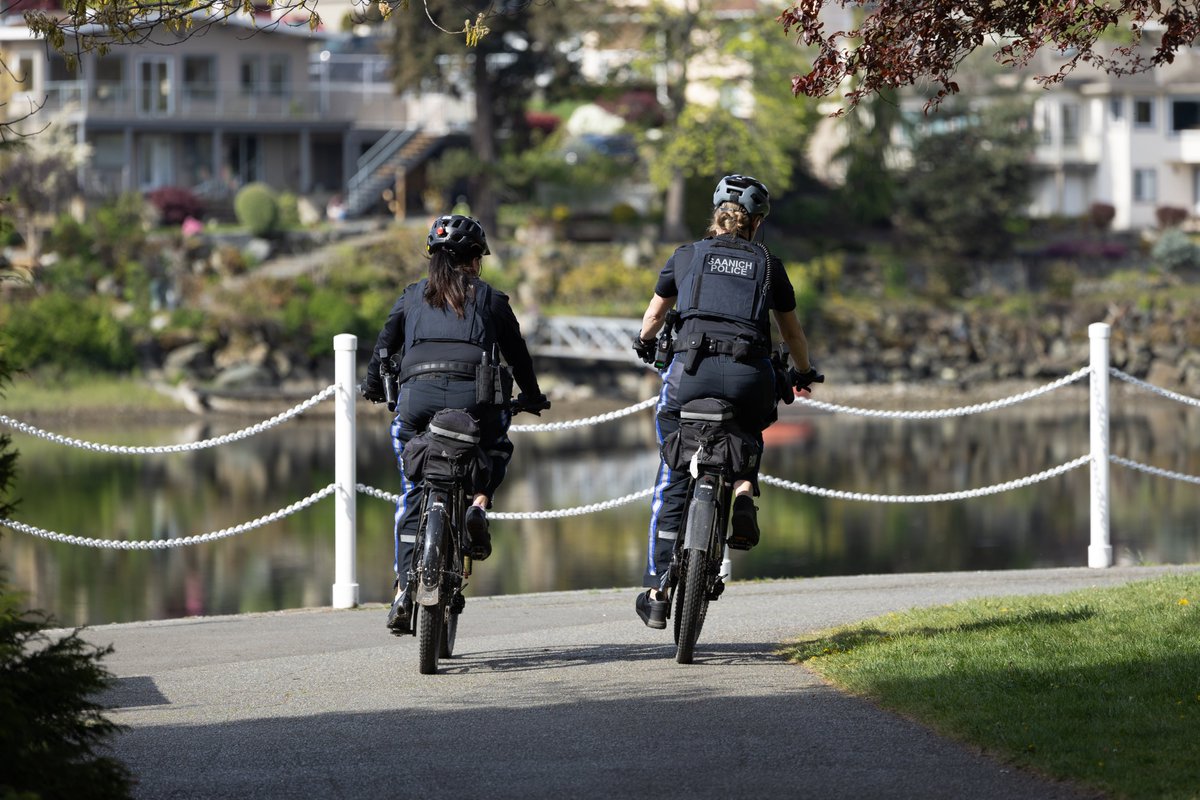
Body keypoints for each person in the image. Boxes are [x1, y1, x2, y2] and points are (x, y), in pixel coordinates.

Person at [631, 174, 821, 629]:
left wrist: (643, 342)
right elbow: (791, 332)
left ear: (716, 215)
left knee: (673, 472)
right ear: (756, 223)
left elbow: (655, 314)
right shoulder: (770, 265)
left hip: (690, 377)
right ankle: (741, 489)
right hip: (746, 379)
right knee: (749, 426)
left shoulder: (687, 255)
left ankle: (657, 590)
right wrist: (802, 372)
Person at [360, 214, 550, 635]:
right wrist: (532, 397)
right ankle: (479, 503)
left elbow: (383, 348)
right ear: (475, 259)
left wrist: (373, 386)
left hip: (416, 405)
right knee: (495, 447)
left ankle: (401, 593)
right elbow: (518, 357)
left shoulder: (410, 297)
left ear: (433, 258)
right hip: (475, 406)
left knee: (413, 490)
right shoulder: (492, 300)